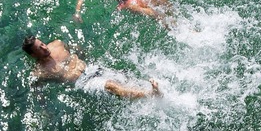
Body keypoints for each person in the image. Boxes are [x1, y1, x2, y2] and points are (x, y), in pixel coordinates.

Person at [22, 36, 160, 99]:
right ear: (33, 55)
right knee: (111, 85)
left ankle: (146, 89)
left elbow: (76, 49)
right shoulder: (40, 71)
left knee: (123, 78)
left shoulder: (57, 44)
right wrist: (44, 108)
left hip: (91, 69)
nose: (44, 47)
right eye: (39, 49)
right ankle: (150, 95)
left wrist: (86, 57)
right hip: (82, 82)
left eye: (42, 44)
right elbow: (36, 88)